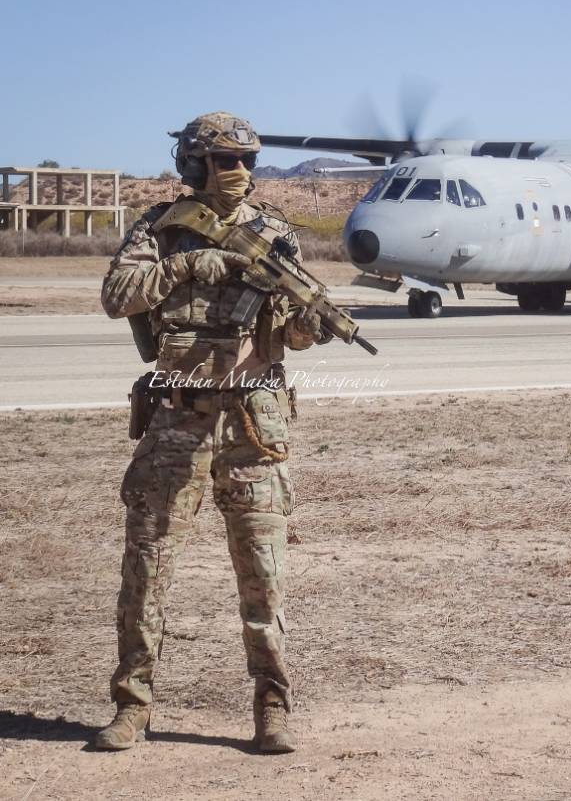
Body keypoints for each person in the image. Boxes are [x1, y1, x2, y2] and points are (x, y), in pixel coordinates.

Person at [96, 112, 328, 754]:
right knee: (148, 564)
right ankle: (132, 707)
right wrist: (193, 266)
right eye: (225, 161)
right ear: (195, 165)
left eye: (247, 160)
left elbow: (291, 337)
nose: (240, 173)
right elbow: (119, 295)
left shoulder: (275, 230)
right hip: (177, 417)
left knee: (262, 571)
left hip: (254, 423)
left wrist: (307, 320)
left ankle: (272, 709)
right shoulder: (160, 228)